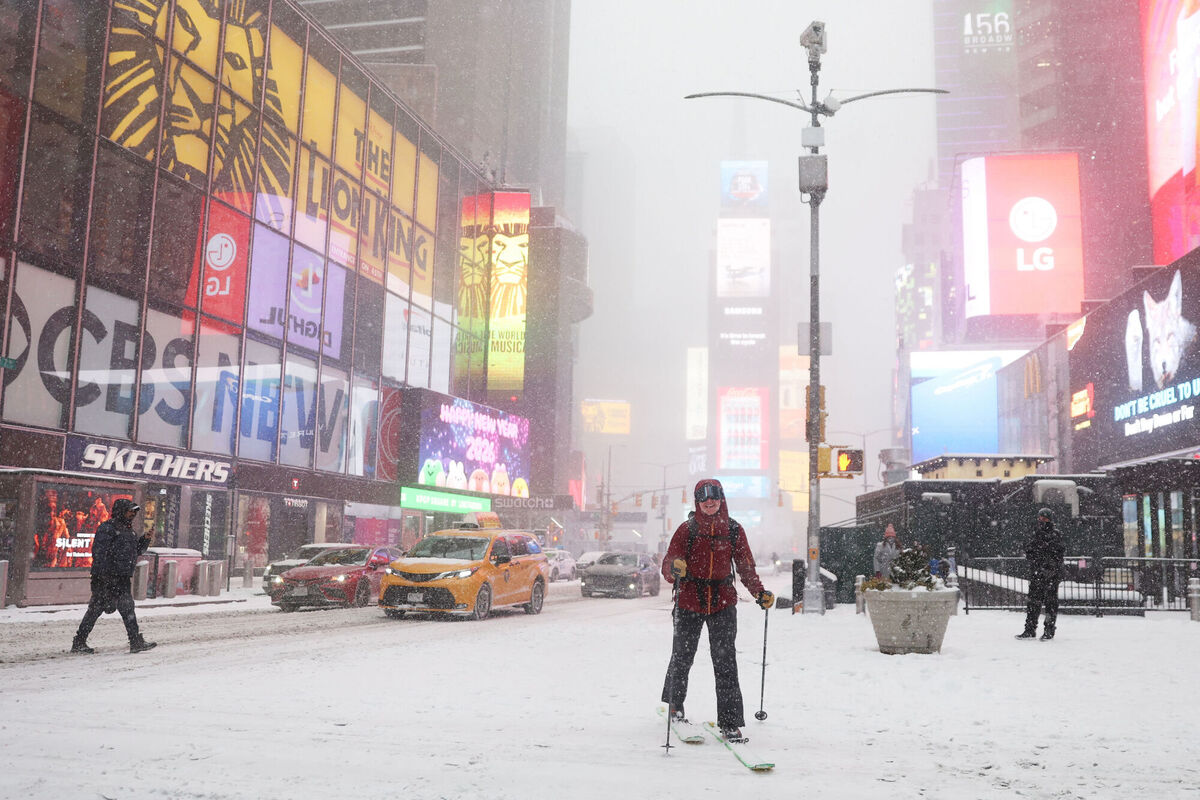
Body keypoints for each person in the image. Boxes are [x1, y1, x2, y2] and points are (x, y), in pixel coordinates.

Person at [660, 479, 773, 743]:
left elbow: (745, 566)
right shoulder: (686, 530)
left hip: (723, 602)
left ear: (721, 499)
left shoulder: (733, 530)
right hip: (689, 600)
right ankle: (675, 705)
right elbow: (668, 563)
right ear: (697, 502)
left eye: (714, 498)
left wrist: (759, 592)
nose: (709, 503)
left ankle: (730, 722)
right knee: (682, 656)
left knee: (725, 662)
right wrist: (674, 567)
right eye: (703, 499)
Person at [71, 499, 157, 654]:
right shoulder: (108, 528)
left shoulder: (128, 530)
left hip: (122, 578)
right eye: (130, 511)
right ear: (121, 511)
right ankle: (80, 641)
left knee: (125, 609)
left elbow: (135, 551)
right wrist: (103, 577)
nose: (133, 514)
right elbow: (99, 553)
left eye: (134, 512)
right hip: (107, 578)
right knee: (97, 609)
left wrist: (145, 539)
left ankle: (134, 640)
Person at [1017, 508, 1065, 641]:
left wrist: (1048, 567)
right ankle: (1030, 629)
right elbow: (1029, 551)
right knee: (1033, 603)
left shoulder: (1055, 535)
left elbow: (1057, 554)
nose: (1042, 521)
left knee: (1050, 603)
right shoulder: (1035, 534)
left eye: (1045, 519)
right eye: (1040, 519)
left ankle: (1048, 630)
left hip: (1050, 574)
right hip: (1038, 573)